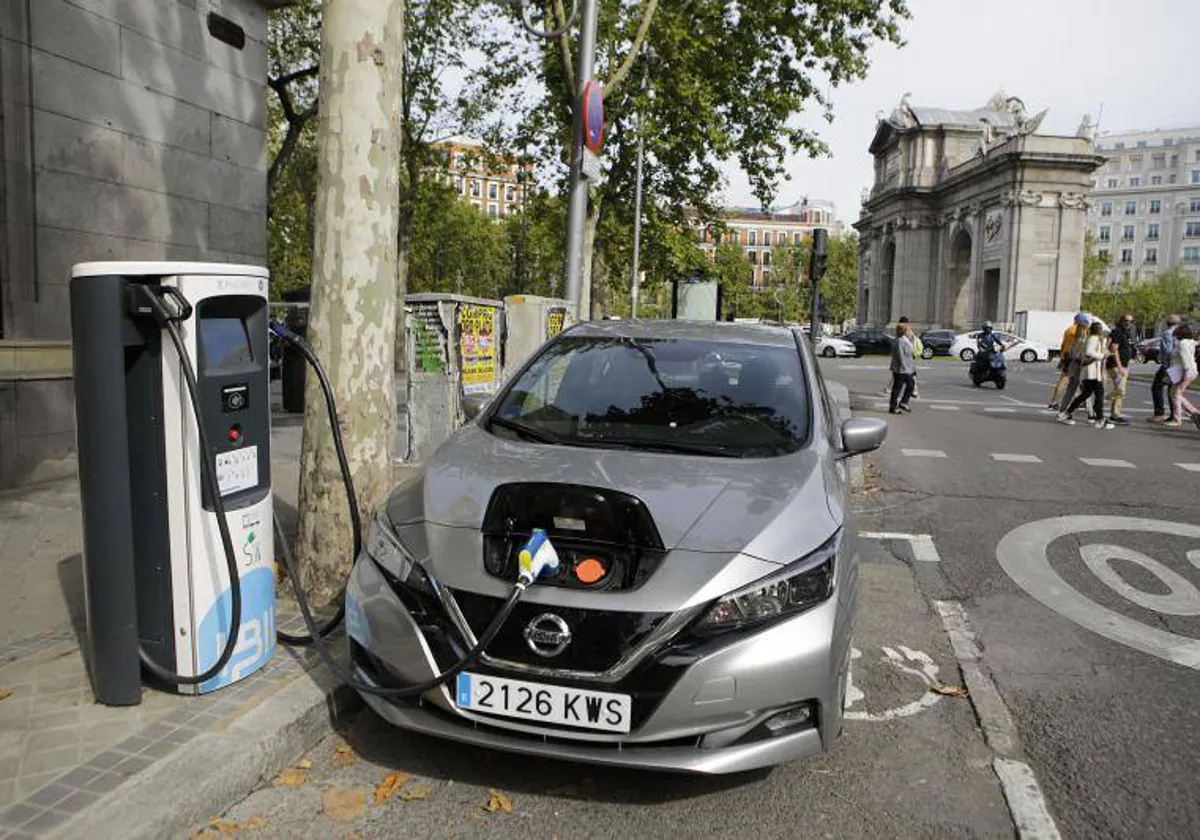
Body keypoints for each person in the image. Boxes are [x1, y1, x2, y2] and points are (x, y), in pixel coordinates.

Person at [1057, 321, 1107, 427]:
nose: (1082, 331)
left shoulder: (1084, 340)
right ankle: (1098, 417)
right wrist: (1101, 355)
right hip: (1083, 371)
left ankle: (1090, 415)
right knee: (1088, 393)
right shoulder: (1085, 340)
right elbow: (1082, 355)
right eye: (1081, 329)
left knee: (1086, 394)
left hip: (1085, 371)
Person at [1048, 313, 1090, 411]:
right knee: (1067, 380)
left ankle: (1083, 401)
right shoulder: (1079, 331)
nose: (1088, 324)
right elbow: (1078, 346)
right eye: (1086, 322)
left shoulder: (1069, 329)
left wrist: (1062, 355)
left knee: (1078, 381)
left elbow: (1064, 344)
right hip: (1073, 359)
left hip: (1066, 357)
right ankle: (1054, 402)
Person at [1163, 322, 1199, 429]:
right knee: (1174, 393)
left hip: (1184, 372)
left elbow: (1185, 359)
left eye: (1177, 333)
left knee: (1176, 394)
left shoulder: (1183, 343)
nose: (1175, 335)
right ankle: (1194, 413)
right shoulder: (1190, 342)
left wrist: (1185, 374)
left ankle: (1177, 419)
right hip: (1187, 371)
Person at [1148, 314, 1182, 423]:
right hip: (1177, 365)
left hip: (1168, 366)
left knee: (1157, 386)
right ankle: (1173, 415)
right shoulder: (1181, 334)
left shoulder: (1167, 333)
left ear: (1167, 323)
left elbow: (1168, 351)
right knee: (1172, 390)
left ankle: (1159, 413)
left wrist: (1161, 355)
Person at [1104, 312, 1136, 427]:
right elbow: (1114, 349)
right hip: (1116, 366)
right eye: (1126, 321)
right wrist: (1120, 366)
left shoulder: (1125, 333)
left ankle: (1115, 414)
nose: (1128, 323)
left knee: (1120, 391)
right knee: (1120, 390)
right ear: (1121, 321)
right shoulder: (1118, 332)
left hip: (1123, 365)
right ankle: (1107, 405)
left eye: (1131, 321)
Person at [889, 324, 916, 414]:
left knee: (911, 385)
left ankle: (903, 402)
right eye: (909, 330)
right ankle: (893, 407)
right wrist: (905, 368)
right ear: (904, 332)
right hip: (900, 369)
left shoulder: (906, 340)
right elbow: (901, 356)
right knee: (897, 388)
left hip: (907, 368)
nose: (911, 332)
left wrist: (912, 339)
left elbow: (911, 353)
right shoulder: (900, 341)